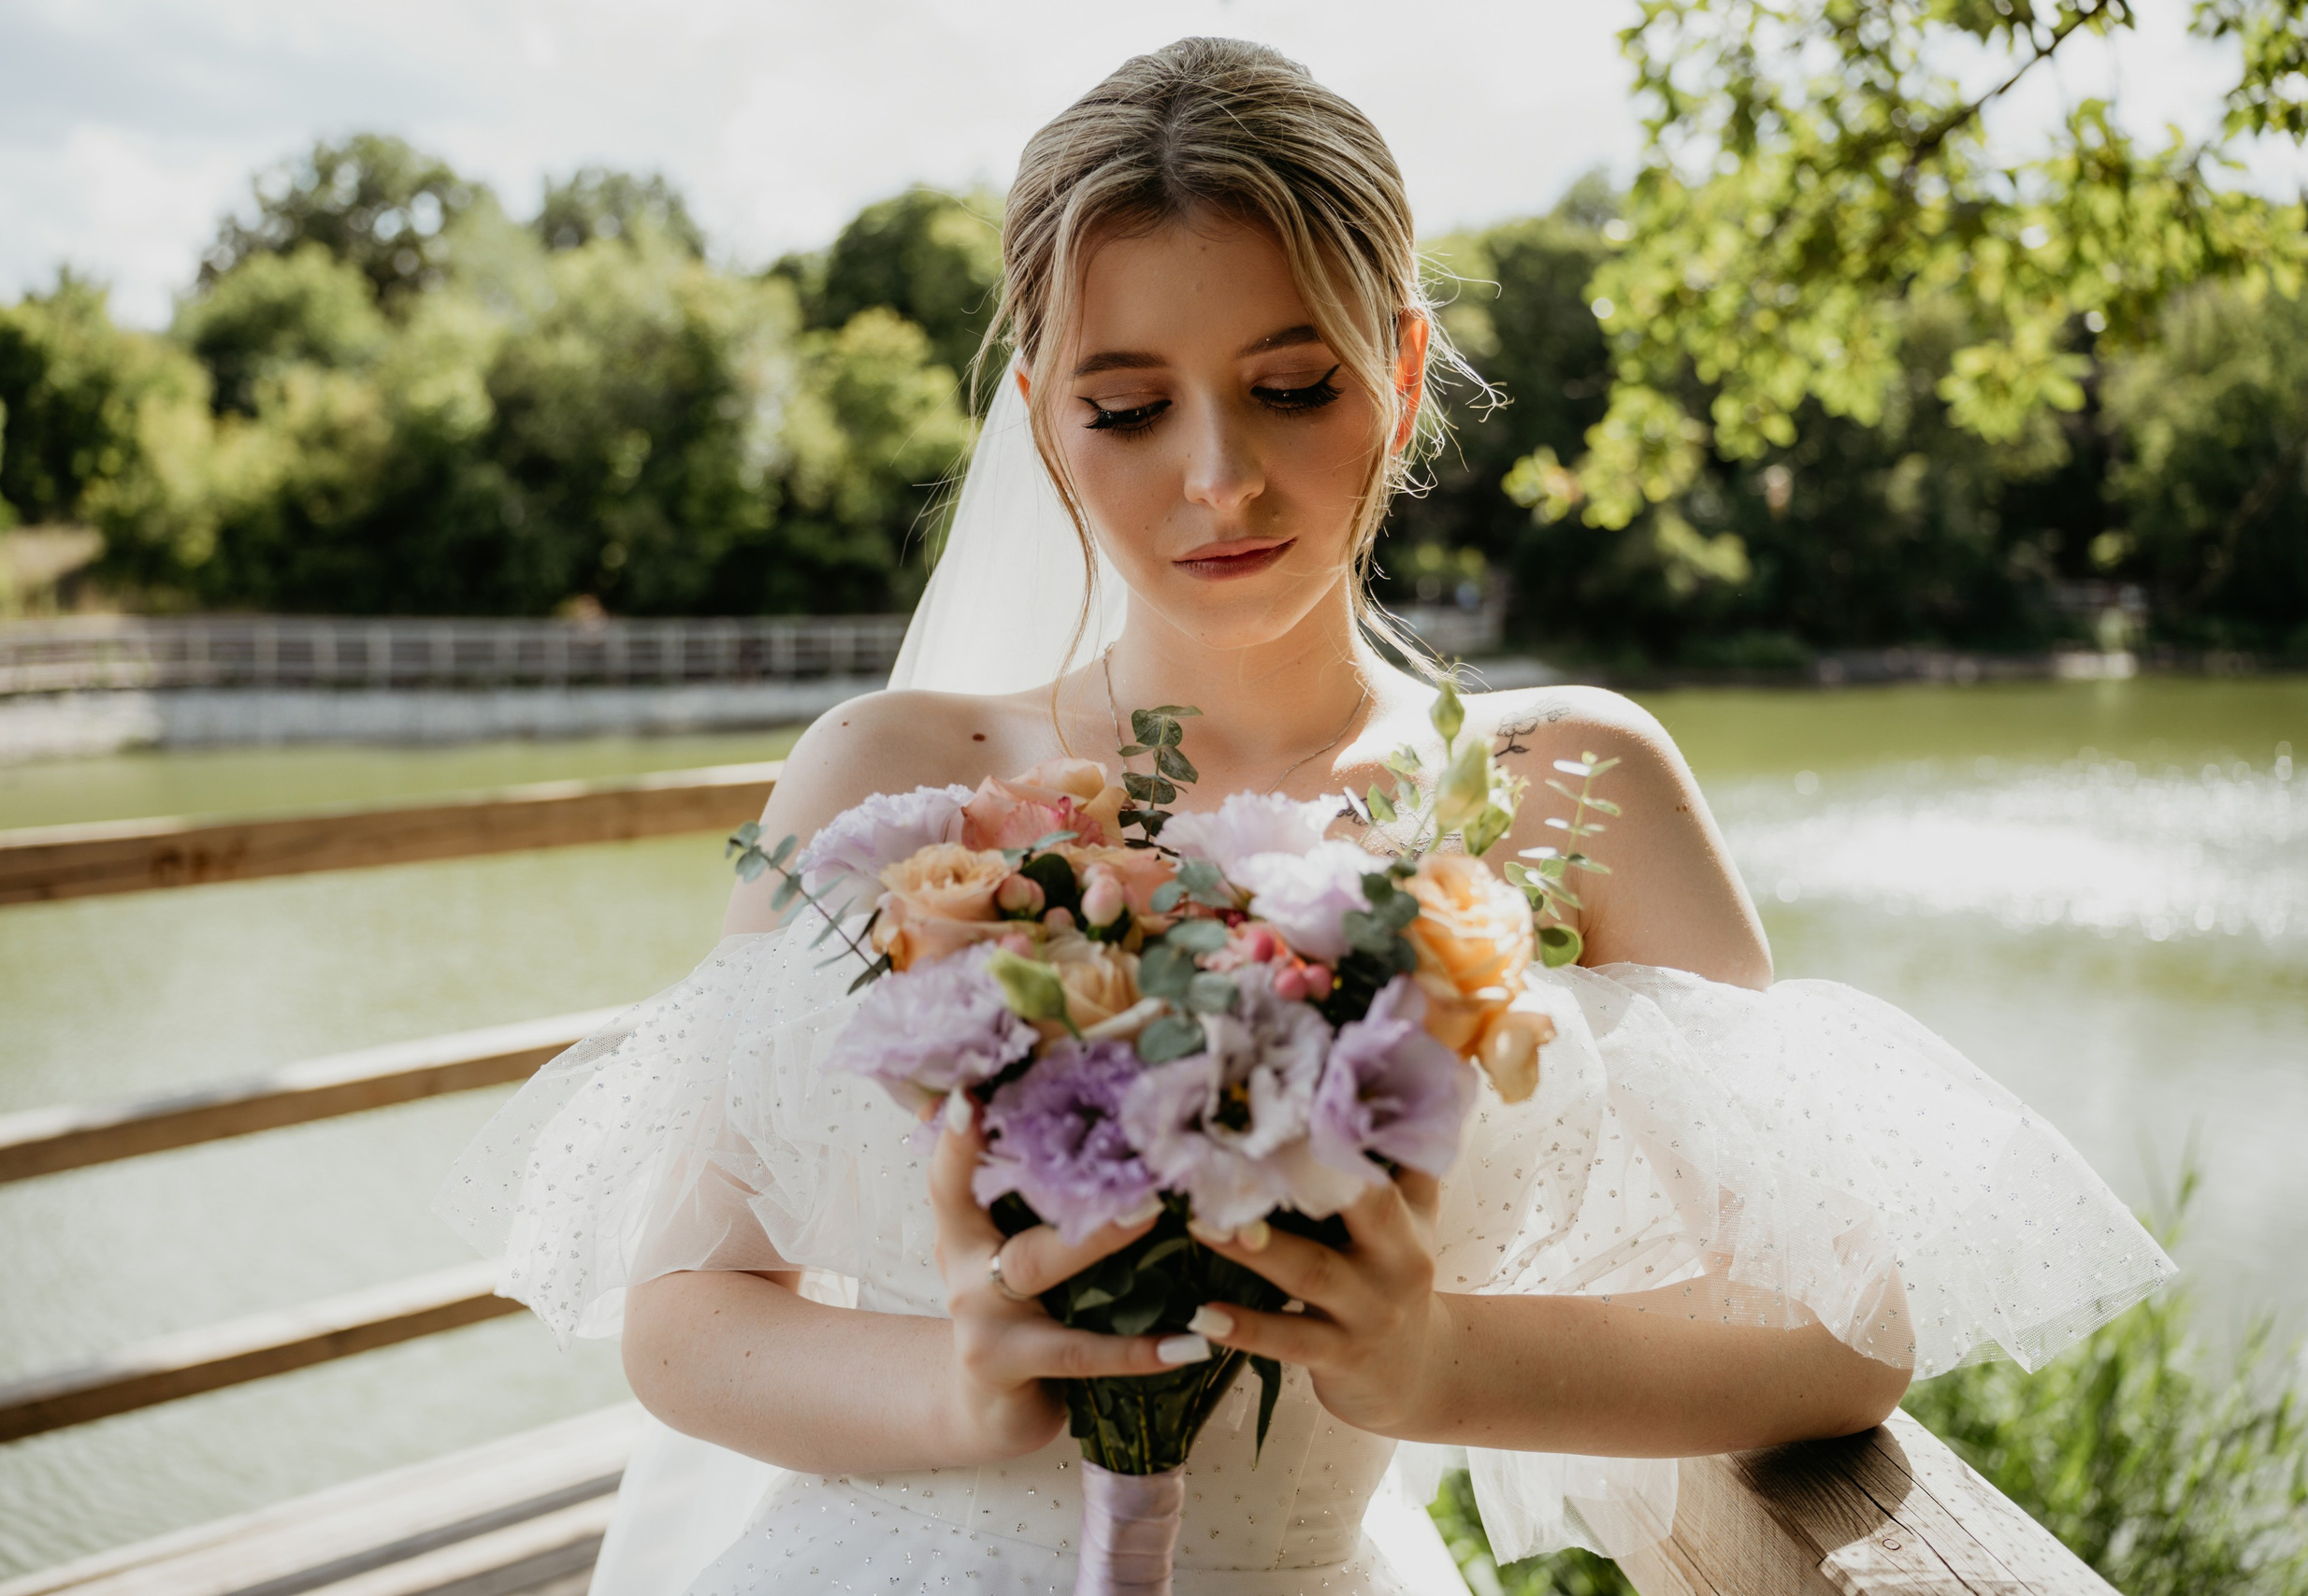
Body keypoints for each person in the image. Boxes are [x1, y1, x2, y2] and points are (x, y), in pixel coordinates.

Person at [440, 37, 2171, 1596]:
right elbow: (682, 1320)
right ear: (1045, 417)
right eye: (1125, 408)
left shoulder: (1577, 788)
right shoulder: (888, 787)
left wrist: (1434, 1364)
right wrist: (960, 1387)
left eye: (1291, 387)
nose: (1218, 477)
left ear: (1402, 372)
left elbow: (1841, 1330)